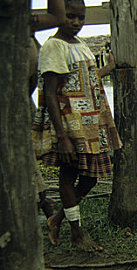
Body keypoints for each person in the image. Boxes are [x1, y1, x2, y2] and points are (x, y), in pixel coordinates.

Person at [32, 0, 121, 251]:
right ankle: (76, 232)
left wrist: (105, 70)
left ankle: (57, 218)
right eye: (70, 17)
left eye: (80, 18)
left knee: (91, 177)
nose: (76, 23)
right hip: (70, 126)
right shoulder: (53, 46)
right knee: (69, 175)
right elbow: (50, 94)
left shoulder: (80, 45)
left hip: (90, 125)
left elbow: (82, 79)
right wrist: (62, 137)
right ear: (60, 15)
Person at [30, 1, 67, 219]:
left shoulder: (20, 27)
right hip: (17, 102)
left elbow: (58, 16)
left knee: (25, 158)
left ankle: (40, 199)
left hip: (20, 103)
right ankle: (41, 200)